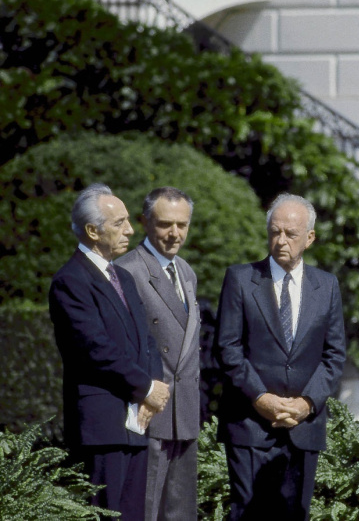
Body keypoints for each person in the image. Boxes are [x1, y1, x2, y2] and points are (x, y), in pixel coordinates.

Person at [215, 193, 346, 520]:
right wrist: (260, 397)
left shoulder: (327, 286)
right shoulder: (241, 279)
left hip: (304, 427)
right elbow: (227, 348)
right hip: (249, 423)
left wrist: (306, 403)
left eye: (291, 234)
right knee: (249, 514)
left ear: (310, 238)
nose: (281, 240)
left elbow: (334, 355)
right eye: (275, 232)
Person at [48, 184, 170, 521]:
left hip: (136, 423)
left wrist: (152, 393)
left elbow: (146, 340)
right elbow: (94, 349)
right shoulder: (70, 281)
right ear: (92, 231)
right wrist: (147, 387)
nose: (130, 230)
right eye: (119, 223)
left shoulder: (124, 279)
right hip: (102, 428)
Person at [116, 187, 199, 520]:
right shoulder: (128, 271)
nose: (175, 233)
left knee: (180, 513)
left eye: (182, 224)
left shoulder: (187, 272)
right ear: (144, 222)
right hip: (148, 412)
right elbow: (122, 348)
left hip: (186, 413)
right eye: (165, 224)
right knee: (145, 511)